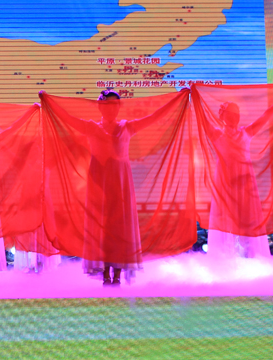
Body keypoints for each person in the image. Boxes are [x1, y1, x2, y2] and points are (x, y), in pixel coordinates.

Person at [40, 89, 176, 286]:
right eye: (108, 105)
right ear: (100, 107)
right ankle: (105, 273)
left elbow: (154, 117)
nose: (112, 109)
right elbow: (67, 119)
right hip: (99, 184)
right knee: (101, 228)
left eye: (115, 105)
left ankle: (117, 274)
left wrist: (177, 100)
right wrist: (48, 100)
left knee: (120, 229)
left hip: (121, 185)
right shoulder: (91, 127)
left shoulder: (127, 127)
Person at [198, 101, 273, 258]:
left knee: (247, 220)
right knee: (226, 220)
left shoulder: (246, 132)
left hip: (245, 186)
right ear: (223, 116)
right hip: (226, 185)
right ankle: (226, 258)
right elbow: (202, 118)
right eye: (231, 114)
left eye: (236, 114)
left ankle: (249, 256)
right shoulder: (217, 134)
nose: (234, 117)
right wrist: (196, 100)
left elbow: (264, 117)